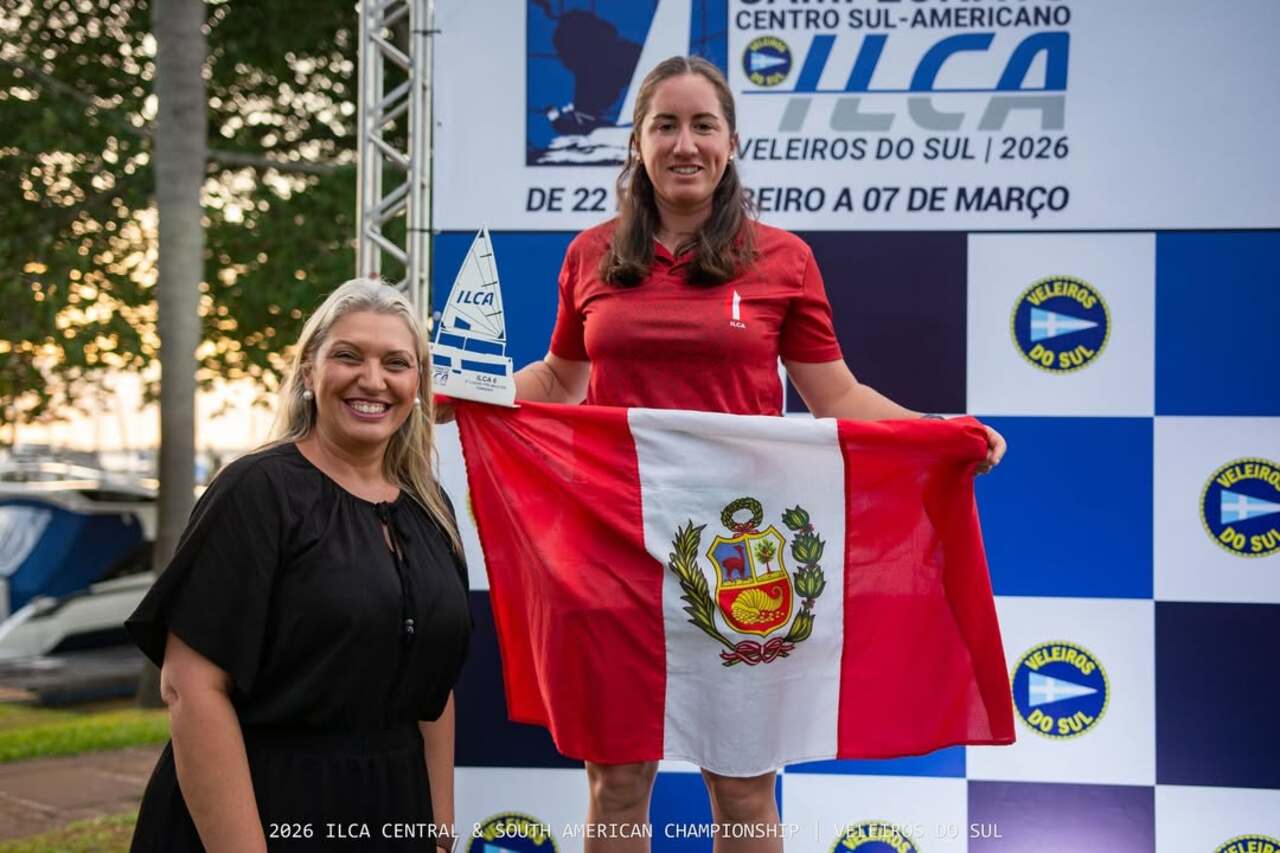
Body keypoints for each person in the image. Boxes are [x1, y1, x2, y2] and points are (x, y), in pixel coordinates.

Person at [504, 56, 1007, 852]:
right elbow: (560, 379)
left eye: (703, 125)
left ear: (731, 141)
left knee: (741, 788)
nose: (684, 144)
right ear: (636, 142)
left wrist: (934, 430)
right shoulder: (589, 254)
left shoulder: (783, 258)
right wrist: (471, 392)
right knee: (617, 783)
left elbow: (836, 396)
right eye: (665, 125)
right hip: (610, 546)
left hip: (737, 555)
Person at [126, 280, 470, 852]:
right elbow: (190, 687)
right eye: (348, 356)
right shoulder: (257, 491)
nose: (373, 380)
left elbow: (432, 688)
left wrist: (438, 831)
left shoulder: (430, 508)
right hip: (264, 807)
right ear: (309, 371)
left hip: (393, 809)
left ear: (418, 385)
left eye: (396, 363)